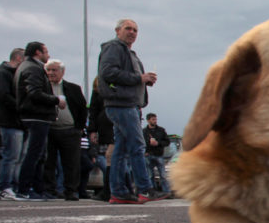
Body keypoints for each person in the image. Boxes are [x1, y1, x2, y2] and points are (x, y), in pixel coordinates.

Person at [97, 18, 168, 204]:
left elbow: (125, 76)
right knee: (137, 146)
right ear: (117, 30)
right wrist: (139, 78)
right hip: (122, 104)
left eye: (135, 30)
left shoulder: (129, 53)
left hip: (128, 105)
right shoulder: (114, 48)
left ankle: (118, 192)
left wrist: (144, 81)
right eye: (128, 28)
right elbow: (108, 72)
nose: (132, 32)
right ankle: (145, 189)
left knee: (120, 150)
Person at [14, 41, 62, 201]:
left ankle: (36, 189)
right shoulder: (33, 68)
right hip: (36, 116)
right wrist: (56, 100)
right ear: (37, 53)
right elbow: (34, 93)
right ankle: (25, 189)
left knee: (37, 154)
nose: (48, 55)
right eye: (46, 52)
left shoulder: (25, 67)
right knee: (34, 154)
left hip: (33, 115)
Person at [43, 59, 88, 200]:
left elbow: (82, 108)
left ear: (62, 72)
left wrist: (79, 128)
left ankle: (71, 190)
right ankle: (49, 190)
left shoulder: (73, 88)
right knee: (48, 162)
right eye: (48, 70)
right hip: (49, 129)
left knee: (71, 163)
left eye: (54, 70)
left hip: (69, 130)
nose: (51, 73)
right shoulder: (42, 88)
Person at [0, 48, 25, 200]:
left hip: (16, 121)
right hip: (9, 120)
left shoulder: (8, 73)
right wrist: (22, 106)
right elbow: (3, 95)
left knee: (16, 157)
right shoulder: (2, 73)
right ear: (19, 58)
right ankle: (5, 187)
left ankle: (13, 187)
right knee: (11, 156)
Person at [142, 113, 172, 195]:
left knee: (163, 175)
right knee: (150, 175)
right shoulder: (144, 131)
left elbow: (167, 142)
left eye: (155, 119)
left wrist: (158, 143)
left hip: (159, 155)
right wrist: (148, 145)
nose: (155, 121)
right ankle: (153, 192)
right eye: (153, 119)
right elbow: (141, 143)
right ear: (148, 120)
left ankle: (166, 192)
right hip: (148, 155)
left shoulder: (161, 130)